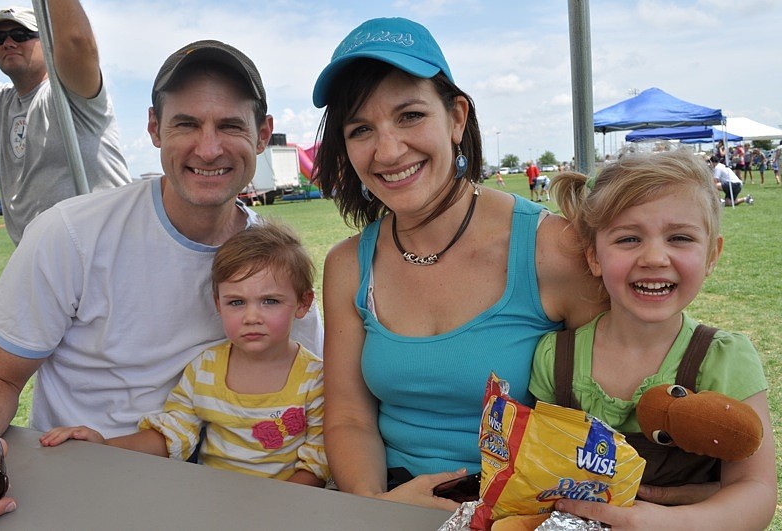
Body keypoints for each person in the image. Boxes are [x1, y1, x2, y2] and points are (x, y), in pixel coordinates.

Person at [0, 39, 323, 518]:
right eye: (186, 124)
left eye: (230, 125)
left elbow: (318, 395)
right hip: (85, 477)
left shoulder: (274, 268)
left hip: (223, 498)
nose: (208, 148)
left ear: (263, 134)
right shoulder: (72, 235)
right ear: (154, 128)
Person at [311, 17, 604, 511]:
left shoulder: (554, 248)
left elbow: (612, 412)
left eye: (409, 116)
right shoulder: (347, 264)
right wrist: (377, 505)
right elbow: (349, 418)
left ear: (457, 118)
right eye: (361, 129)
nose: (387, 150)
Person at [529, 149, 776, 530]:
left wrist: (672, 522)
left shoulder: (724, 359)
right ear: (593, 256)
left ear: (712, 255)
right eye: (629, 239)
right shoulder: (556, 358)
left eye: (679, 237)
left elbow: (756, 490)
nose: (655, 258)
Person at [40, 221, 329, 487]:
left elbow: (318, 463)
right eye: (236, 302)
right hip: (212, 501)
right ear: (218, 304)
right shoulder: (206, 368)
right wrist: (104, 446)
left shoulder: (316, 380)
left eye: (270, 301)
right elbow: (175, 434)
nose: (251, 316)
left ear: (303, 303)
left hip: (288, 507)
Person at [0, 2, 131, 244]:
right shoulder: (0, 103)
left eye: (21, 35)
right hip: (42, 263)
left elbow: (76, 41)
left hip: (106, 250)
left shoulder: (69, 93)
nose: (8, 42)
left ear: (49, 41)